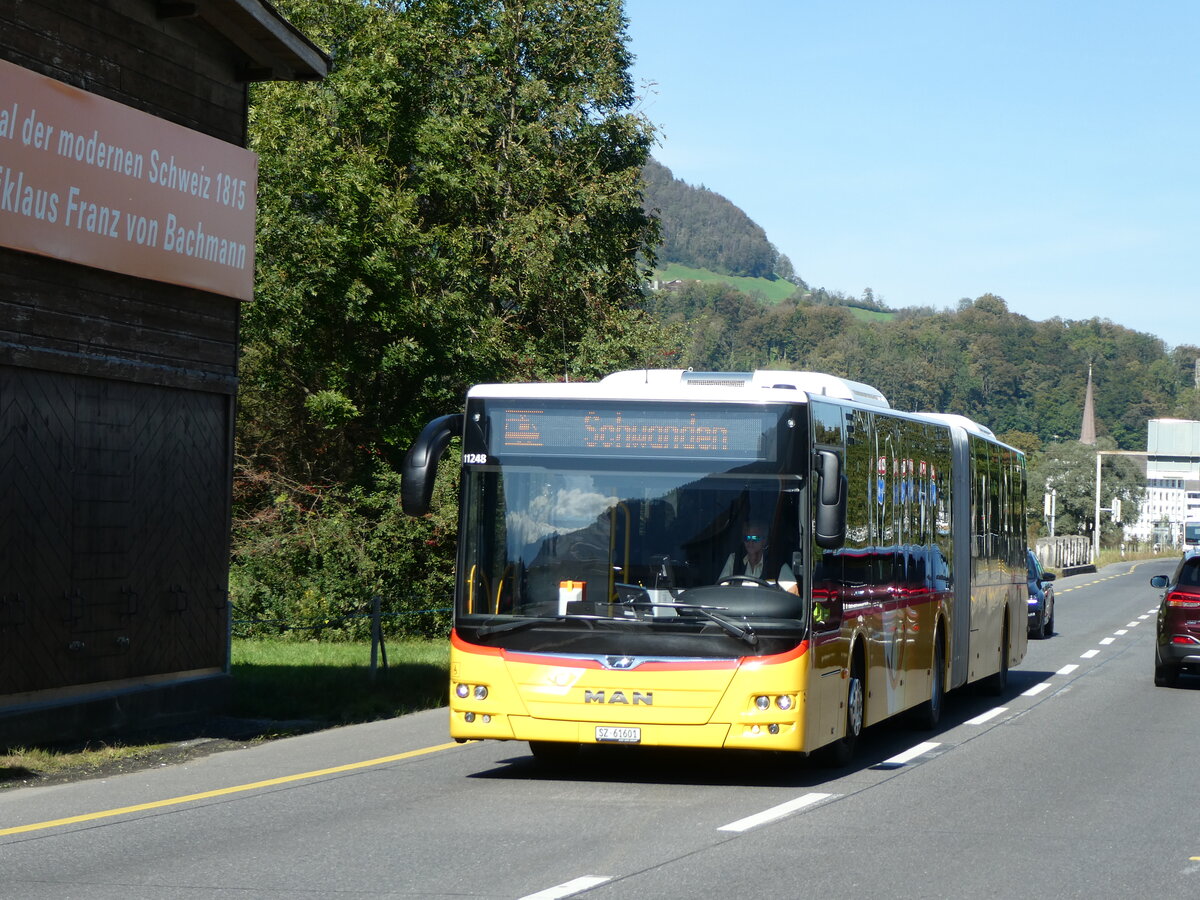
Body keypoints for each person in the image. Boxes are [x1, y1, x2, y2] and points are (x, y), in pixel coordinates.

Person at [718, 521, 797, 591]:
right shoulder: (734, 559)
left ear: (764, 541)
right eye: (747, 538)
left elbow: (793, 592)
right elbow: (721, 590)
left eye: (755, 538)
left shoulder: (777, 564)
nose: (750, 542)